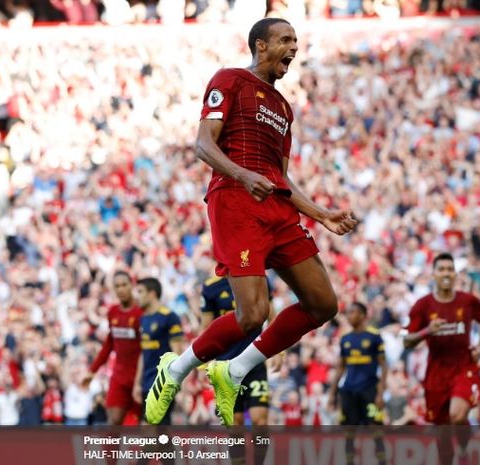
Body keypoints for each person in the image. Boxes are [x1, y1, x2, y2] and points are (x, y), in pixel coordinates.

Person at [144, 16, 357, 427]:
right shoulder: (231, 80)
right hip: (236, 202)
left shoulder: (283, 109)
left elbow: (282, 179)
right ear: (261, 46)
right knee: (252, 314)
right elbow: (203, 143)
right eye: (285, 40)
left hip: (275, 207)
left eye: (296, 40)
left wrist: (322, 214)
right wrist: (242, 175)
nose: (293, 47)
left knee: (323, 304)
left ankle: (234, 370)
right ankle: (174, 370)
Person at [403, 253, 480, 465]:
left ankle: (463, 448)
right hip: (436, 372)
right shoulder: (422, 306)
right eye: (441, 269)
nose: (446, 274)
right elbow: (407, 341)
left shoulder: (468, 301)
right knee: (442, 434)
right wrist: (427, 331)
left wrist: (479, 346)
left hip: (463, 365)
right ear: (433, 274)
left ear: (455, 274)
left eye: (449, 270)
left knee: (457, 416)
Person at [201, 275, 276, 465]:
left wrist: (279, 352)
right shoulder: (211, 287)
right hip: (226, 366)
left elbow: (272, 316)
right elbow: (206, 328)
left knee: (260, 421)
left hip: (255, 362)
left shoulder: (258, 278)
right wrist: (203, 362)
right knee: (235, 424)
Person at [328, 302, 387, 465]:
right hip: (348, 390)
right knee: (348, 430)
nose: (349, 316)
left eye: (353, 312)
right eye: (347, 313)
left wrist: (381, 393)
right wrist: (332, 394)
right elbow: (340, 366)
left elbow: (383, 365)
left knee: (376, 428)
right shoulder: (345, 339)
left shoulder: (374, 336)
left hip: (369, 389)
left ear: (363, 315)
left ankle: (382, 461)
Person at [84, 271, 142, 425]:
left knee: (147, 424)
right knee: (114, 421)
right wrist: (92, 371)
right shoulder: (113, 312)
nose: (121, 289)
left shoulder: (141, 312)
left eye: (124, 285)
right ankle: (110, 450)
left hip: (141, 376)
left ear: (132, 285)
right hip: (119, 376)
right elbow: (109, 344)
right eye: (117, 286)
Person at [133, 277, 185, 425]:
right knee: (157, 434)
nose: (138, 296)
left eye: (140, 291)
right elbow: (143, 354)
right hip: (146, 382)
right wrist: (137, 383)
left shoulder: (169, 317)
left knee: (151, 431)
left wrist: (178, 384)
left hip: (162, 383)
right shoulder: (143, 319)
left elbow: (178, 355)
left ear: (152, 293)